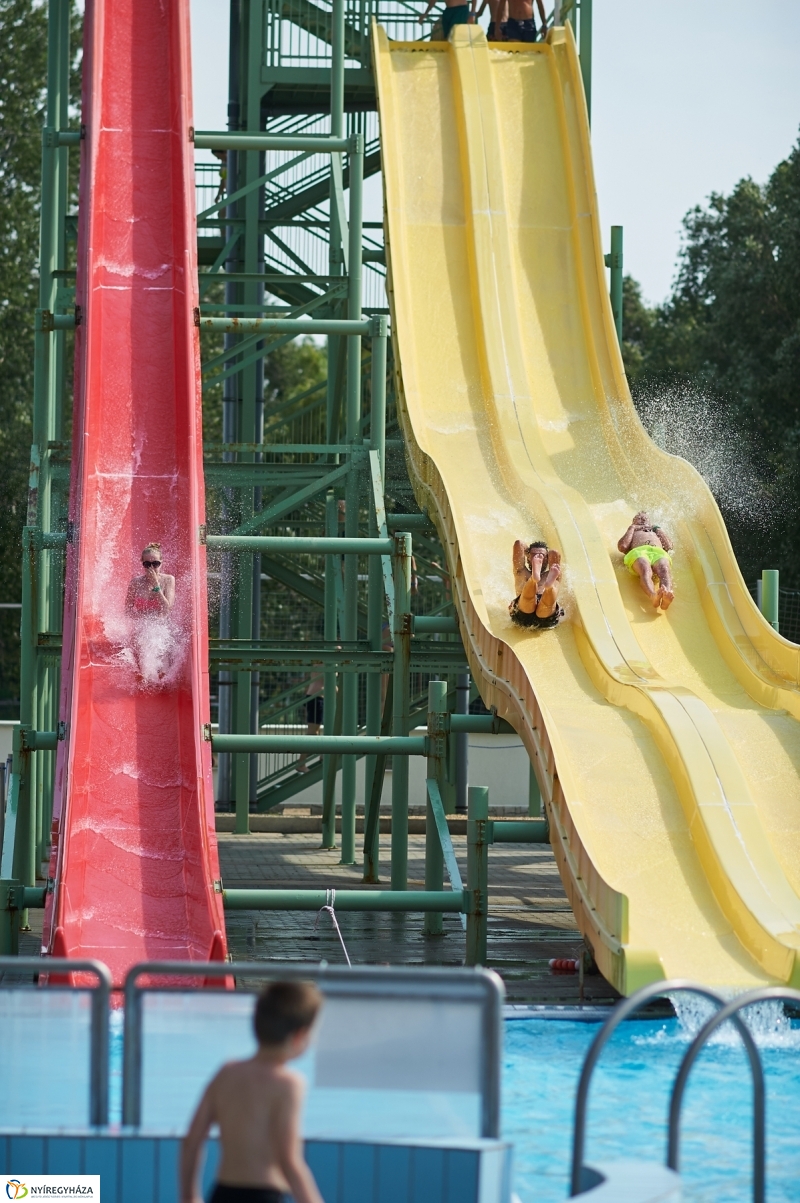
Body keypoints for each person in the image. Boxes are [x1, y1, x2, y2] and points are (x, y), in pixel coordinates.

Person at [180, 980, 325, 1203]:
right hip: (264, 1195)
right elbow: (289, 1160)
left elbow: (192, 1141)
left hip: (222, 1193)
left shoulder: (226, 1073)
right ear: (299, 1036)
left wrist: (189, 1196)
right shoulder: (288, 1084)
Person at [617, 511, 675, 610]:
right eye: (639, 518)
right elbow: (623, 546)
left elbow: (669, 546)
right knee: (645, 568)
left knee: (664, 569)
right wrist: (632, 528)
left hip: (658, 552)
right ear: (633, 521)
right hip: (639, 551)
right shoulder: (634, 531)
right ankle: (653, 596)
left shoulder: (654, 530)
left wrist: (657, 529)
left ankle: (666, 595)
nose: (643, 519)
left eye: (645, 518)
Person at [508, 539, 563, 629]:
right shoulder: (521, 571)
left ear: (548, 558)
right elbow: (519, 544)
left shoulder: (554, 570)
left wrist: (533, 555)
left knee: (533, 598)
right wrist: (529, 554)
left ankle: (535, 580)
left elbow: (554, 553)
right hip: (540, 615)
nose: (539, 557)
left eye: (543, 556)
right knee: (541, 601)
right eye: (534, 555)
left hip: (524, 615)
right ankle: (539, 582)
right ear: (528, 557)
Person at [125, 543, 175, 617]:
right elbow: (127, 611)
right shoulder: (135, 582)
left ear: (161, 563)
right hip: (140, 624)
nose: (151, 567)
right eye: (147, 564)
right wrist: (142, 620)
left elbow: (167, 609)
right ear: (142, 563)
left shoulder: (168, 580)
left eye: (155, 564)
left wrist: (155, 584)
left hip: (162, 625)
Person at [296, 673, 323, 773]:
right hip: (317, 697)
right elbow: (328, 681)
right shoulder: (324, 661)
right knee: (312, 733)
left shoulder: (318, 662)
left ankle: (323, 754)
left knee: (315, 731)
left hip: (315, 697)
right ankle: (301, 763)